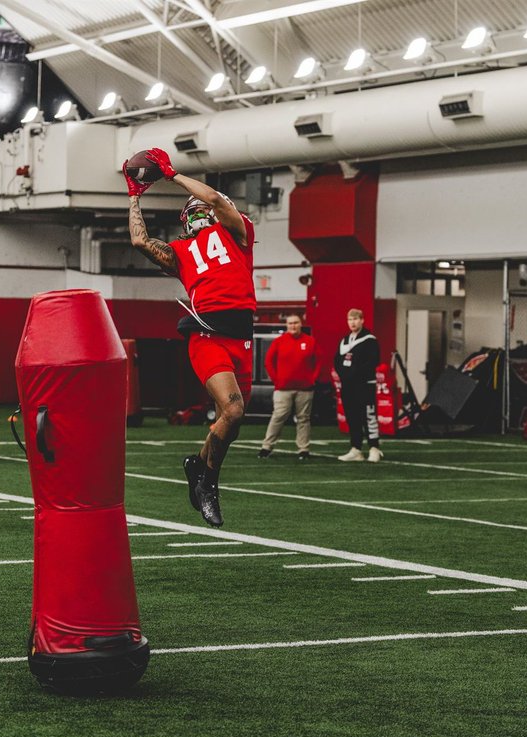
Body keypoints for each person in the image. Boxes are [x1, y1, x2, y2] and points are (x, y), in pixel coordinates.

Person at [126, 148, 255, 528]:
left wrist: (171, 174)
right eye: (193, 210)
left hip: (241, 337)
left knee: (230, 424)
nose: (201, 211)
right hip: (207, 334)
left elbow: (215, 198)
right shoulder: (181, 251)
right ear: (184, 221)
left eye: (204, 209)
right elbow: (139, 241)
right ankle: (207, 484)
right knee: (233, 410)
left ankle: (197, 467)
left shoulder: (236, 232)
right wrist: (134, 195)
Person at [258, 314, 319, 461]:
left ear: (300, 324)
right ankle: (266, 447)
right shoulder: (279, 342)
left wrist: (312, 379)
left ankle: (303, 449)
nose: (293, 326)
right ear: (287, 325)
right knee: (278, 416)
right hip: (282, 389)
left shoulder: (310, 341)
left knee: (303, 419)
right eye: (290, 323)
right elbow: (268, 362)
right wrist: (277, 381)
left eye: (296, 323)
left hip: (305, 389)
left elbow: (318, 362)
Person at [334, 308, 383, 463]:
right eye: (350, 320)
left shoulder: (370, 340)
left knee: (369, 416)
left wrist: (355, 374)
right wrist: (344, 375)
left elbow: (372, 361)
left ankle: (374, 448)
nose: (353, 322)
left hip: (364, 384)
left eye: (355, 319)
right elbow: (337, 361)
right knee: (352, 417)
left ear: (362, 320)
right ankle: (356, 448)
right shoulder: (344, 341)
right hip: (348, 386)